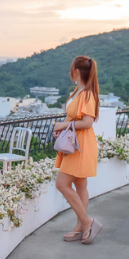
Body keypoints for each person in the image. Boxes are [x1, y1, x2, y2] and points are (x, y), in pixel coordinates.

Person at [52, 55, 102, 245]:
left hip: (80, 146)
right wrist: (63, 127)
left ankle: (87, 222)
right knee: (80, 186)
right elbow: (74, 119)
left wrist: (62, 125)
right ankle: (81, 227)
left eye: (72, 68)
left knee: (62, 184)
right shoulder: (79, 91)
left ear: (77, 71)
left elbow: (87, 122)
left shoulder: (87, 94)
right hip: (75, 144)